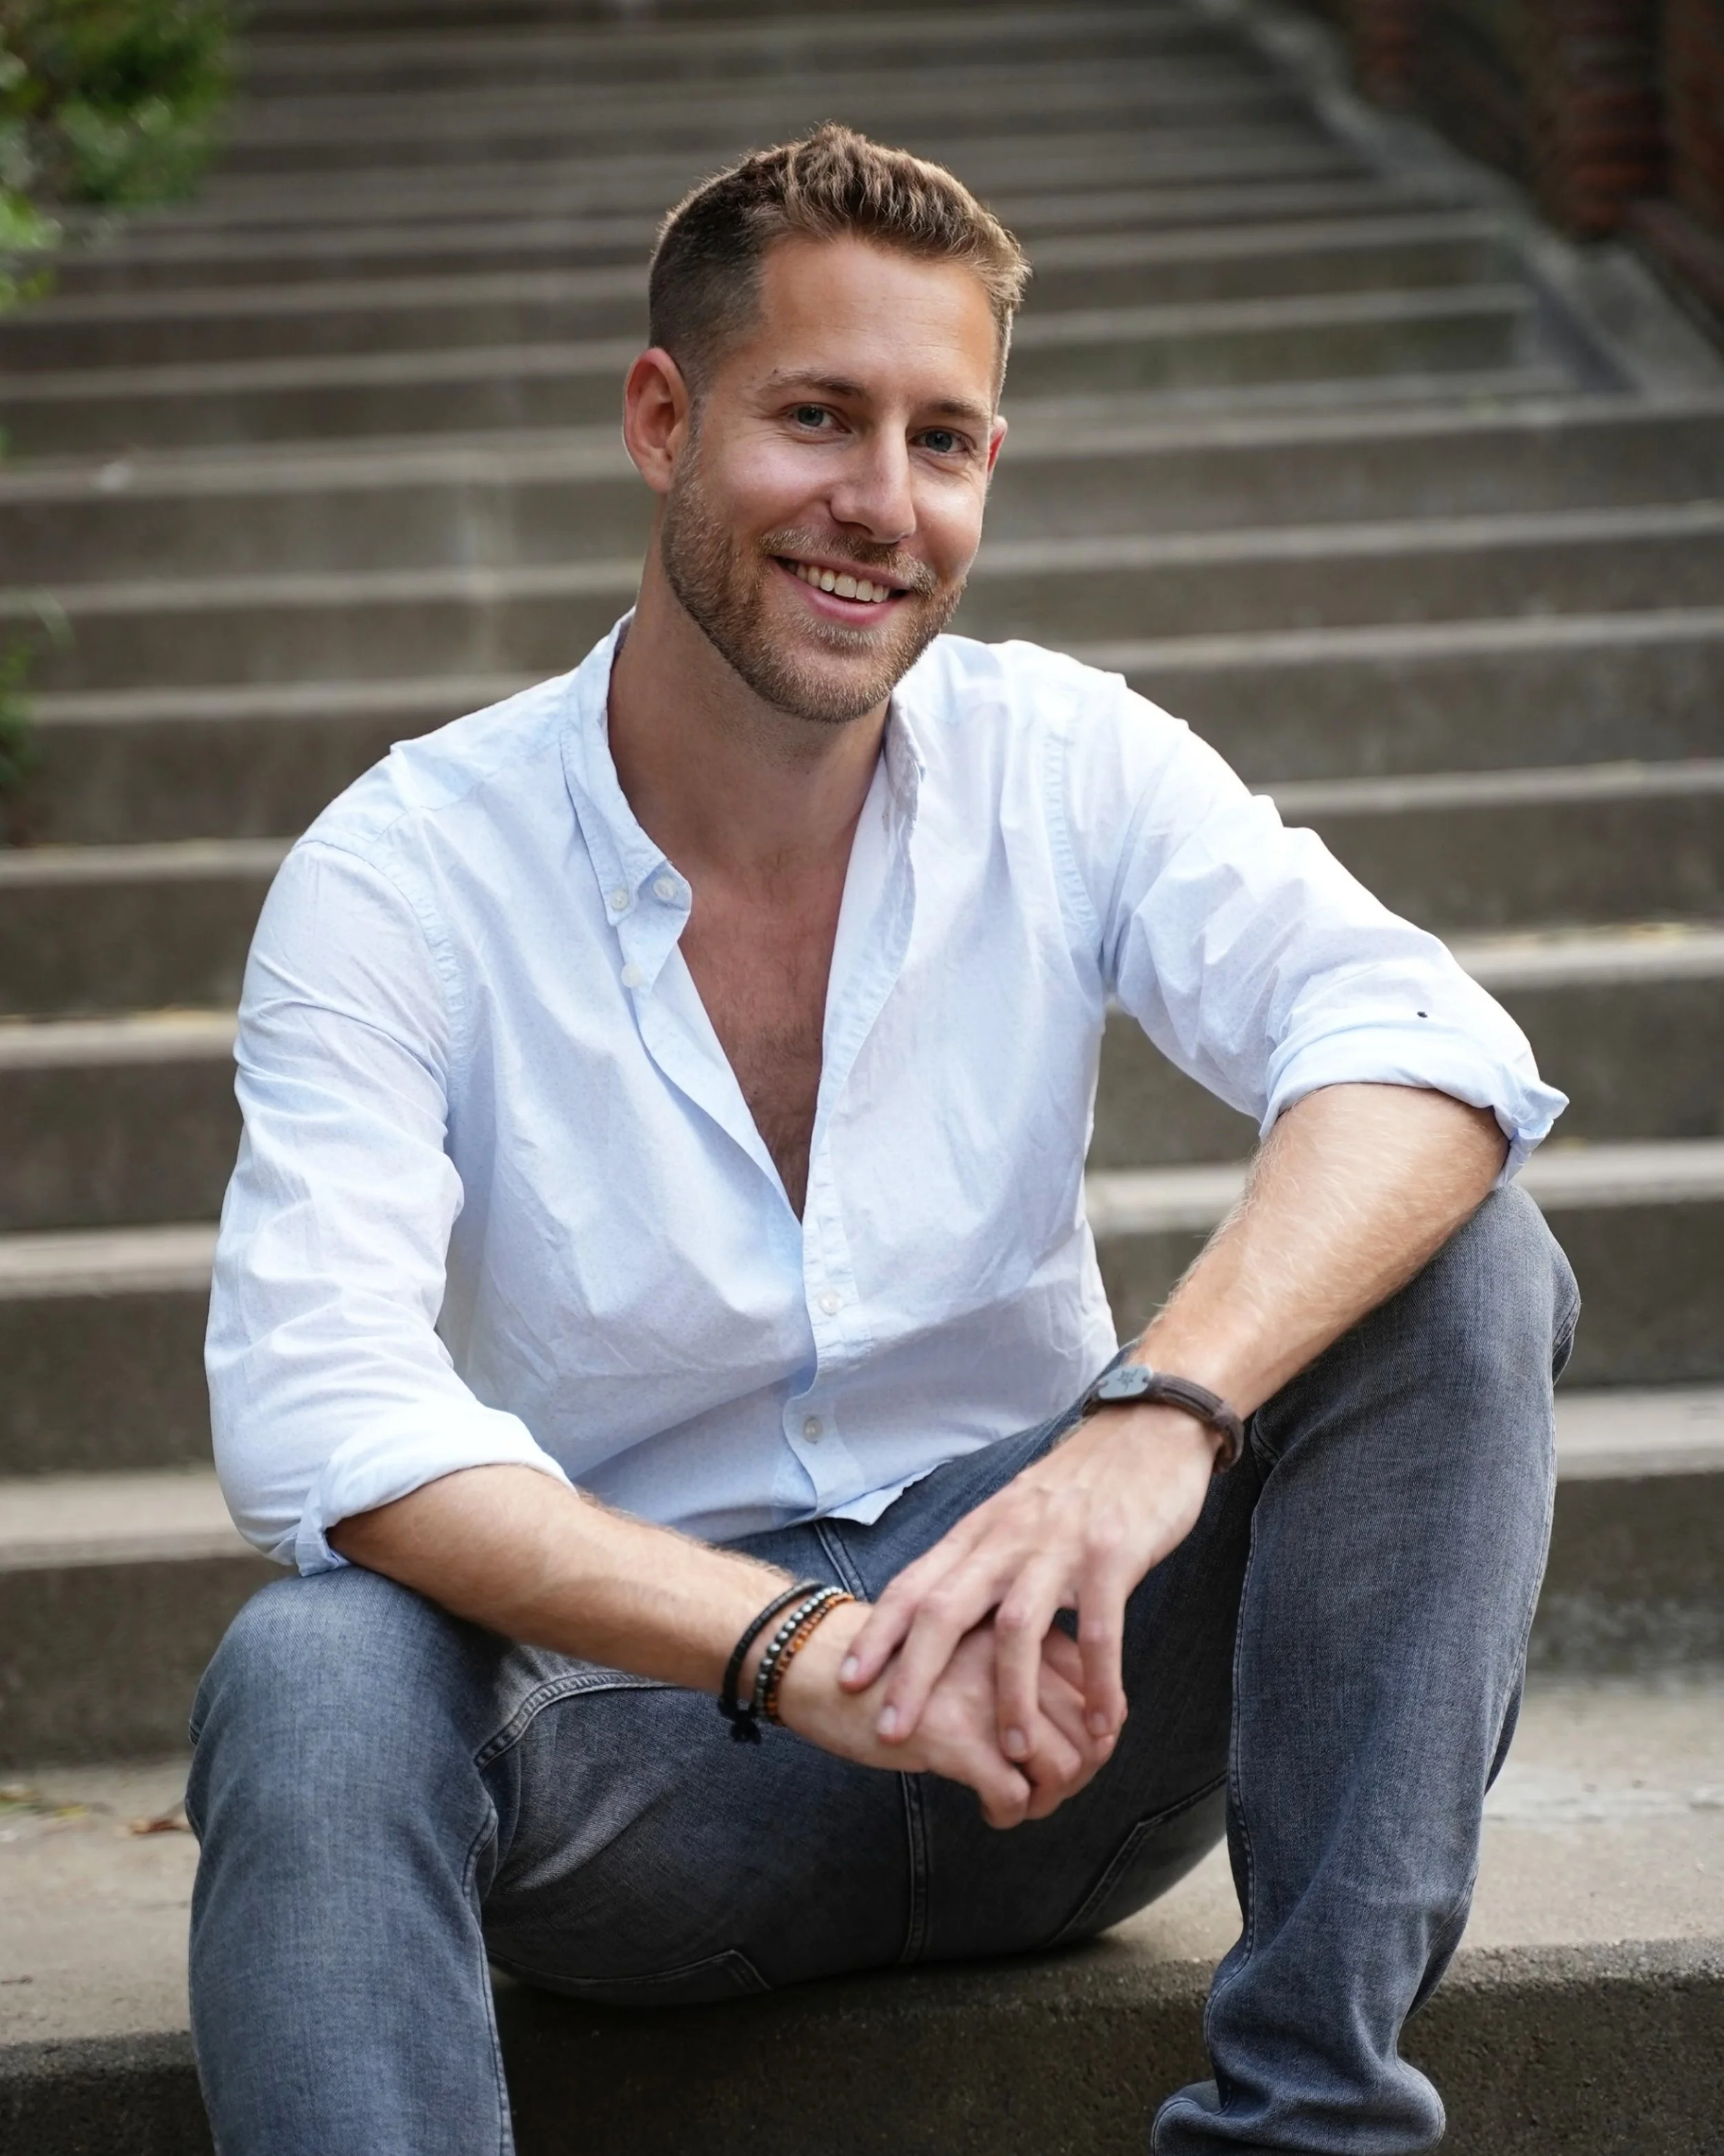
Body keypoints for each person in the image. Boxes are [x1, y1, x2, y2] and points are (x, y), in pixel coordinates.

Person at [190, 125, 1575, 2155]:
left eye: (943, 440)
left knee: (1461, 1250)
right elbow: (324, 1410)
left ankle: (1306, 2129)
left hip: (1059, 1719)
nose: (880, 505)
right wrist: (787, 1643)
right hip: (649, 1761)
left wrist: (1152, 1420)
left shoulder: (1064, 758)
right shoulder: (402, 871)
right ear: (662, 418)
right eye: (818, 418)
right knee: (309, 1672)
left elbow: (1423, 1041)